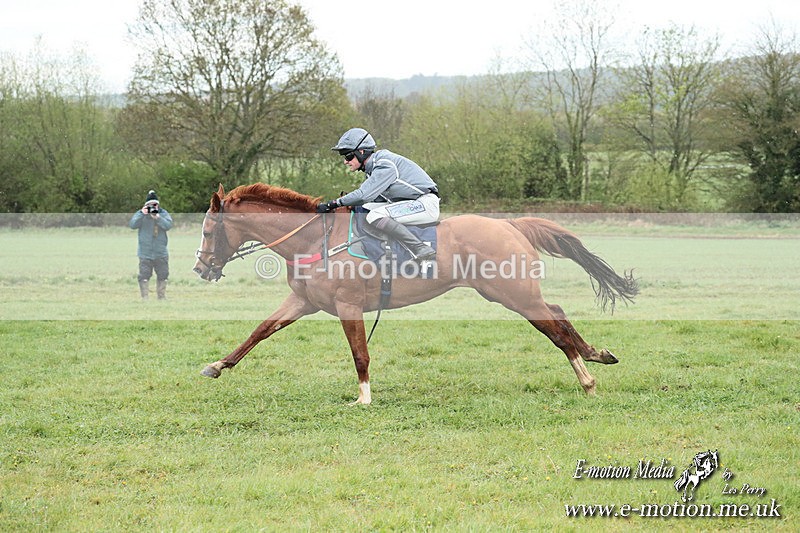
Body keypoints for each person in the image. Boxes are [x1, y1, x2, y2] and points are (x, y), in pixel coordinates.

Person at [317, 127, 439, 261]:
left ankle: (420, 248)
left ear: (361, 152)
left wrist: (333, 204)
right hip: (411, 202)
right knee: (366, 209)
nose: (345, 161)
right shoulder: (373, 169)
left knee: (375, 215)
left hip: (425, 204)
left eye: (348, 156)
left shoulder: (384, 165)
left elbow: (363, 195)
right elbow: (372, 200)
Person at [129, 190, 173, 300]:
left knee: (163, 274)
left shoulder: (163, 214)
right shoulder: (141, 214)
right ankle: (145, 298)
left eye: (155, 205)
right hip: (145, 252)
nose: (153, 207)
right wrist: (141, 213)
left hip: (160, 252)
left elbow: (168, 225)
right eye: (150, 205)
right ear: (146, 205)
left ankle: (161, 297)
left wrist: (158, 218)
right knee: (144, 275)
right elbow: (132, 225)